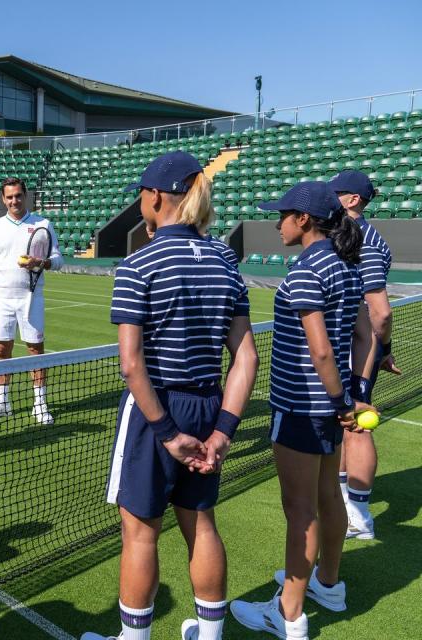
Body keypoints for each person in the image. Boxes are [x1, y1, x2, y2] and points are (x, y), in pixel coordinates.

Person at [82, 151, 258, 640]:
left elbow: (131, 364)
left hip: (153, 410)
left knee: (140, 534)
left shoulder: (139, 263)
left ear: (156, 196)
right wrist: (222, 430)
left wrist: (166, 433)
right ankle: (210, 634)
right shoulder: (225, 259)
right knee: (201, 522)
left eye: (142, 191)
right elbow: (246, 357)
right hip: (207, 407)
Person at [231, 181, 374, 640]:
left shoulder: (307, 272)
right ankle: (327, 584)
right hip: (330, 407)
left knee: (300, 509)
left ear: (305, 221)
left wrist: (339, 403)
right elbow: (364, 336)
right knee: (329, 498)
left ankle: (288, 613)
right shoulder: (346, 266)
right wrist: (351, 397)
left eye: (284, 215)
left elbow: (322, 352)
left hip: (302, 408)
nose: (277, 223)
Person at [328, 170, 399, 540]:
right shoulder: (347, 234)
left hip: (357, 349)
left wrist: (379, 350)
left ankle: (359, 515)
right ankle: (345, 503)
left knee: (357, 425)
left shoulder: (365, 241)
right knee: (346, 426)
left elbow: (380, 311)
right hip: (350, 345)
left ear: (353, 200)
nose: (330, 198)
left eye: (335, 193)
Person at [0, 177, 63, 425]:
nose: (14, 200)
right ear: (3, 199)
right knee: (2, 349)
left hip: (31, 298)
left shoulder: (43, 224)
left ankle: (40, 404)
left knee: (35, 350)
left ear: (25, 196)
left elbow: (57, 260)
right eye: (9, 196)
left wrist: (40, 263)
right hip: (2, 297)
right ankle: (2, 402)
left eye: (18, 195)